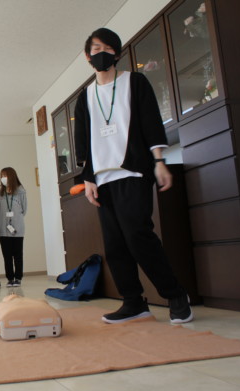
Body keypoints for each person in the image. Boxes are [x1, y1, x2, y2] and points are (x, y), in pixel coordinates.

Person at [74, 27, 193, 324]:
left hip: (133, 171)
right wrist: (87, 179)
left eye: (106, 49)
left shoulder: (134, 82)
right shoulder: (85, 96)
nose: (100, 54)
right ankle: (133, 302)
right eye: (95, 49)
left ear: (116, 53)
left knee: (138, 235)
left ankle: (176, 295)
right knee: (115, 244)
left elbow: (152, 122)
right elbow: (83, 142)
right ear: (87, 57)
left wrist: (159, 162)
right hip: (102, 179)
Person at [0, 167, 27, 287]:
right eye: (2, 176)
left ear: (12, 176)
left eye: (5, 175)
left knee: (18, 254)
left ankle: (18, 278)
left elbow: (24, 209)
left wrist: (15, 218)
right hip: (3, 229)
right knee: (7, 255)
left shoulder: (21, 190)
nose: (3, 178)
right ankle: (10, 278)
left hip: (17, 228)